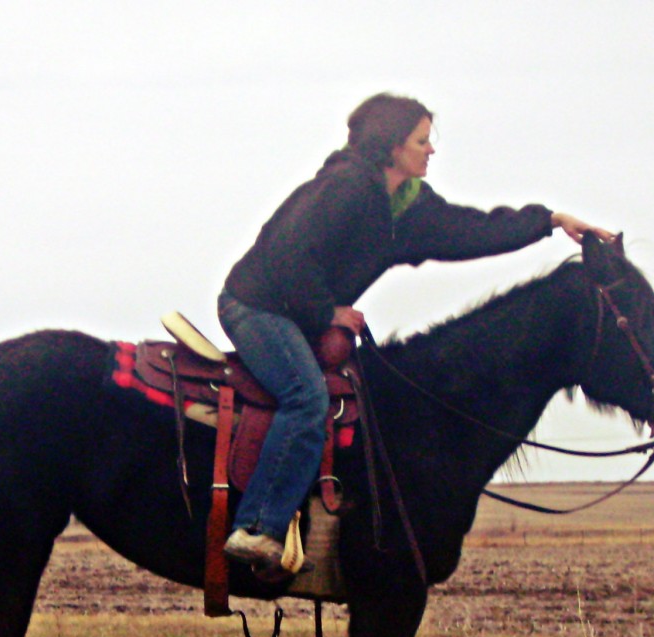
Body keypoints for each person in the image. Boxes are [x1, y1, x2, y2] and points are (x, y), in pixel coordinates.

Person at [218, 92, 613, 574]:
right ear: (391, 145)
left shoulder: (406, 208)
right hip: (255, 305)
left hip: (299, 314)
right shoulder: (344, 188)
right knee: (305, 397)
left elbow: (472, 230)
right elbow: (284, 256)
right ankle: (257, 528)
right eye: (421, 140)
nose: (431, 150)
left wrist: (548, 222)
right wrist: (328, 311)